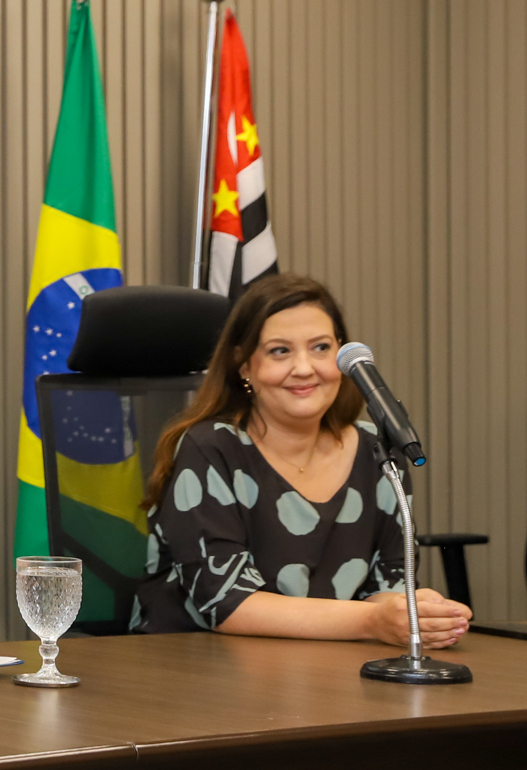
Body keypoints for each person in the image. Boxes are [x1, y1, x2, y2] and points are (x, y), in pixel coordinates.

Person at [134, 274, 472, 647]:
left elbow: (386, 586)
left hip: (325, 671)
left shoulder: (375, 447)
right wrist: (375, 620)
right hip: (192, 668)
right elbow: (226, 602)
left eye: (321, 348)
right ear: (244, 366)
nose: (305, 368)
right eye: (280, 350)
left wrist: (416, 612)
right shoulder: (210, 449)